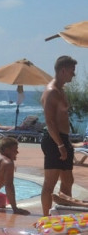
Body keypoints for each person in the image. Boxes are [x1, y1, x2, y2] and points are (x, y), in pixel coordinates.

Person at [40, 55, 78, 216]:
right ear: (63, 70)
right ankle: (45, 219)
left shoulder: (61, 91)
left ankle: (64, 216)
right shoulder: (51, 92)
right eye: (72, 71)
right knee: (50, 182)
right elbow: (49, 121)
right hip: (54, 140)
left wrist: (65, 142)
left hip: (63, 138)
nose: (74, 74)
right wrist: (60, 145)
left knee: (68, 181)